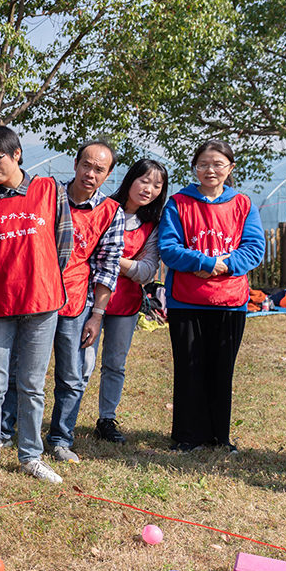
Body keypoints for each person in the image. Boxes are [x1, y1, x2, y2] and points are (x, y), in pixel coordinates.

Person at [0, 142, 124, 464]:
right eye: (86, 165)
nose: (90, 173)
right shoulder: (47, 195)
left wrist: (97, 315)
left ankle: (60, 437)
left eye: (99, 169)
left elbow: (108, 267)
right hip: (35, 297)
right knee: (19, 369)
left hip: (75, 302)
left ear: (108, 174)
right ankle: (3, 431)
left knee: (72, 375)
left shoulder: (111, 212)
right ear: (76, 163)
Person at [0, 126, 73, 487]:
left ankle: (31, 455)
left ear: (17, 154)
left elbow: (63, 241)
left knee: (31, 384)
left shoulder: (49, 190)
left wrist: (43, 277)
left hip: (42, 302)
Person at [159, 139, 265, 452]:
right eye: (204, 163)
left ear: (230, 168)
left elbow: (254, 248)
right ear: (195, 167)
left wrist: (223, 266)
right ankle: (188, 436)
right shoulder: (178, 203)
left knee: (222, 370)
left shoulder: (243, 204)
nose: (210, 170)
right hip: (186, 300)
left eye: (218, 164)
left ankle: (220, 437)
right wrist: (205, 262)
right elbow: (168, 248)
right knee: (189, 367)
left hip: (230, 301)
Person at [93, 159, 169, 443]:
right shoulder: (102, 209)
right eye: (144, 181)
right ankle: (66, 419)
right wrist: (129, 263)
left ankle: (107, 418)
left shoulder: (152, 226)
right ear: (130, 180)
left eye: (157, 186)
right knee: (81, 364)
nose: (148, 189)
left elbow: (147, 272)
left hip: (125, 304)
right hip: (89, 300)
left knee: (115, 363)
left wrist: (113, 257)